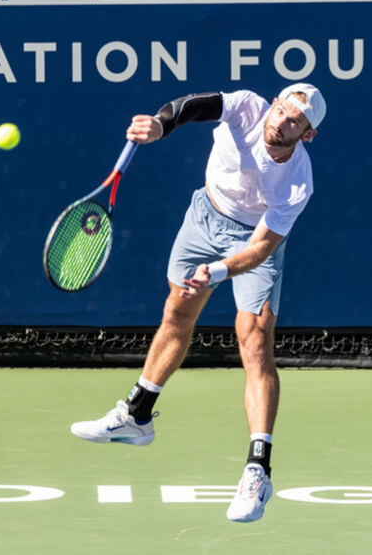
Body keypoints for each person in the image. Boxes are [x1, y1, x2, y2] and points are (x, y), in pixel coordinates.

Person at [69, 83, 326, 523]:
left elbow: (262, 247)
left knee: (255, 342)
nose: (281, 121)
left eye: (294, 121)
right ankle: (137, 416)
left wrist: (220, 270)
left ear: (307, 134)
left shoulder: (298, 180)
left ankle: (257, 471)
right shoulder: (247, 107)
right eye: (281, 109)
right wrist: (161, 125)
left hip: (250, 242)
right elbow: (194, 106)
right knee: (177, 312)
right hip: (203, 218)